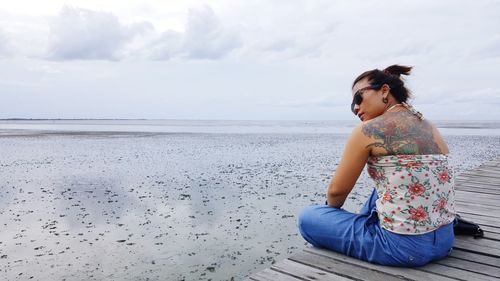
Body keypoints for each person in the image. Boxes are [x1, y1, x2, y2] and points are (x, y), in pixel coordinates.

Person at [298, 65, 456, 267]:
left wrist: (330, 212)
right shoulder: (429, 126)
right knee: (382, 188)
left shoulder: (367, 130)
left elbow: (337, 192)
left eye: (358, 98)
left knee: (308, 217)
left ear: (384, 91)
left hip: (402, 249)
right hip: (444, 240)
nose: (355, 107)